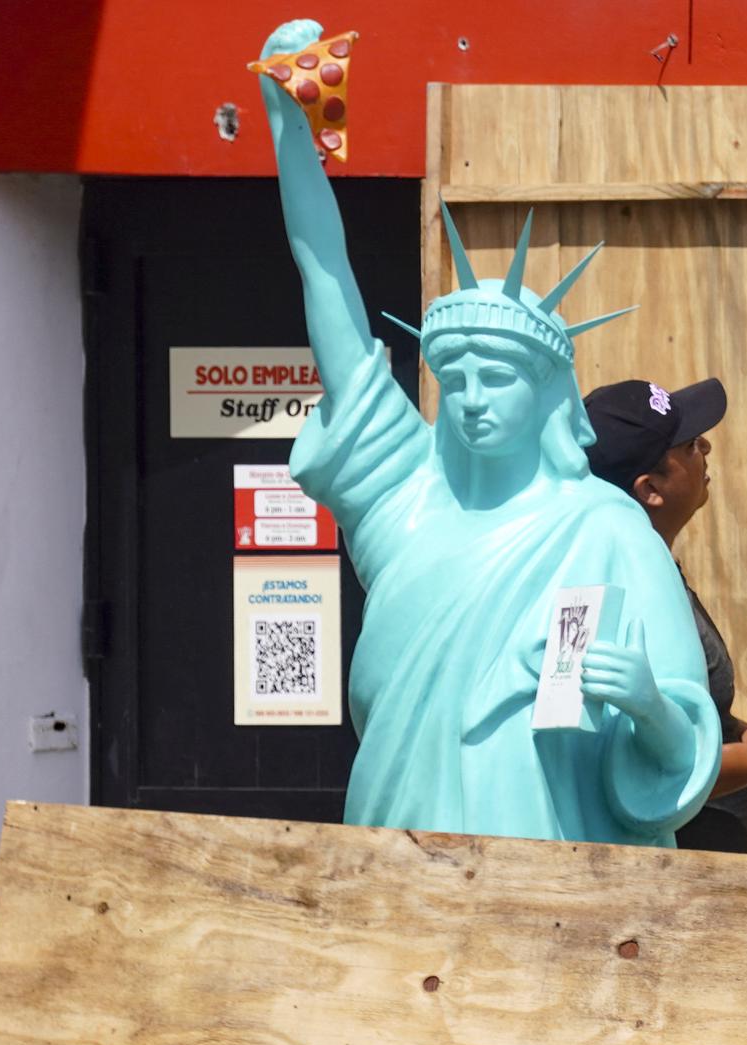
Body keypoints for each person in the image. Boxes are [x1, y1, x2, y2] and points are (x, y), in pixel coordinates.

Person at [257, 20, 719, 846]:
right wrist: (294, 141)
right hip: (397, 855)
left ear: (549, 395)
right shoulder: (404, 498)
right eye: (455, 377)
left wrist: (648, 703)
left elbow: (680, 752)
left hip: (552, 879)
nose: (471, 399)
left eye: (498, 377)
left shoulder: (608, 532)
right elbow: (326, 290)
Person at [584, 377, 747, 852]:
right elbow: (633, 764)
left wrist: (739, 730)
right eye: (689, 445)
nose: (706, 447)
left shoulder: (661, 573)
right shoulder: (623, 596)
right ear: (651, 490)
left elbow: (678, 705)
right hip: (674, 878)